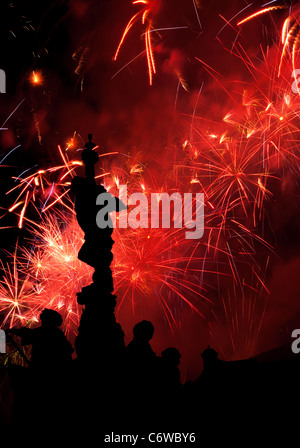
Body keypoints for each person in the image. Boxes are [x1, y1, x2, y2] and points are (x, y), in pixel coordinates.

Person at [6, 308, 73, 369]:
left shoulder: (47, 331)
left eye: (43, 319)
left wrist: (11, 331)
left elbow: (29, 333)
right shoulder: (57, 332)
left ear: (48, 320)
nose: (41, 321)